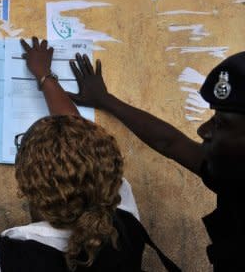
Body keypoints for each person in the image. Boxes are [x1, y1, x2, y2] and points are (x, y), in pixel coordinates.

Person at [0, 36, 152, 272]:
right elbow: (78, 140)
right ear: (105, 168)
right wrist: (45, 76)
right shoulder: (123, 216)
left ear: (27, 186)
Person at [68, 50, 245, 271]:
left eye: (220, 124)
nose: (203, 130)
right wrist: (105, 100)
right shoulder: (233, 171)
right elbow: (169, 143)